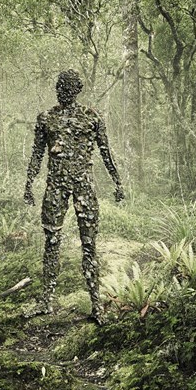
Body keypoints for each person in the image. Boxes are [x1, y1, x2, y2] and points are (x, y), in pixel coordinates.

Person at [23, 69, 124, 325]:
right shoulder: (46, 118)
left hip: (84, 186)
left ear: (76, 90)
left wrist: (117, 181)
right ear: (56, 88)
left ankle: (96, 305)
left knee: (89, 243)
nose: (63, 90)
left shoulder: (92, 117)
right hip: (55, 186)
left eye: (68, 87)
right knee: (52, 241)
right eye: (60, 86)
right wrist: (28, 183)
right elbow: (37, 153)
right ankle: (47, 301)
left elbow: (105, 151)